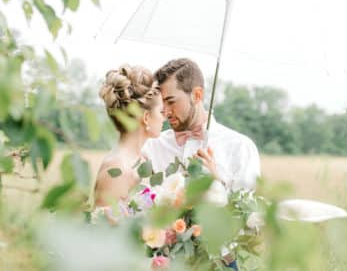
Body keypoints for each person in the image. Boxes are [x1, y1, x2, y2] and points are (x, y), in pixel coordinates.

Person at [142, 58, 261, 191]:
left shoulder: (241, 148)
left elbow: (247, 211)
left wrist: (215, 183)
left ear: (197, 95)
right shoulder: (152, 146)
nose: (166, 112)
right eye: (161, 103)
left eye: (171, 101)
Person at [94, 64, 165, 208]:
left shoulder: (143, 159)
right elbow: (101, 229)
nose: (165, 118)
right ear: (146, 118)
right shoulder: (116, 170)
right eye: (161, 112)